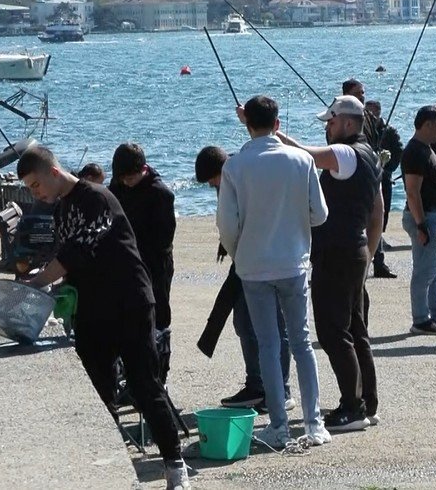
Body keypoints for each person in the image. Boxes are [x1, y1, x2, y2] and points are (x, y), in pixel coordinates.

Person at [17, 147, 189, 490]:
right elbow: (68, 260)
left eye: (36, 185)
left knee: (144, 384)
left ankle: (175, 464)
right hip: (93, 307)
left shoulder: (97, 198)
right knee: (97, 389)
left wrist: (35, 283)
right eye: (30, 189)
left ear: (53, 172)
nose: (35, 194)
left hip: (130, 301)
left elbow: (75, 252)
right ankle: (107, 468)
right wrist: (54, 288)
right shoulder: (61, 209)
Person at [218, 95, 330, 448]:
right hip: (293, 261)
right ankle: (313, 423)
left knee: (268, 345)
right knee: (301, 342)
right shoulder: (302, 160)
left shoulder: (234, 166)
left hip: (253, 266)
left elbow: (227, 225)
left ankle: (279, 425)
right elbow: (320, 214)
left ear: (247, 124)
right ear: (278, 124)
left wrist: (238, 254)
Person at [275, 95, 383, 432]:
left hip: (337, 253)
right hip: (354, 250)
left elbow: (305, 156)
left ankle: (352, 407)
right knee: (356, 331)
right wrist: (369, 251)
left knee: (333, 332)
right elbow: (377, 211)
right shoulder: (370, 156)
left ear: (349, 123)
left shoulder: (347, 153)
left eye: (331, 122)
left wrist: (273, 135)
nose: (327, 128)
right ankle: (367, 403)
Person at [192, 146, 294, 415]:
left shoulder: (244, 173)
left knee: (274, 326)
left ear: (222, 169)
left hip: (268, 260)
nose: (213, 186)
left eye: (213, 180)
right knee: (244, 323)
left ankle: (281, 390)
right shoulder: (226, 178)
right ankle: (256, 385)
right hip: (244, 261)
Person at [109, 143, 177, 384]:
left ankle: (159, 376)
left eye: (130, 178)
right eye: (122, 178)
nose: (126, 182)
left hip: (155, 265)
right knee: (126, 320)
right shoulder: (117, 186)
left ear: (143, 169)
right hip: (125, 264)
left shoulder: (161, 194)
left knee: (157, 320)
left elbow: (164, 241)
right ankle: (129, 375)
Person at [401, 105, 436, 335]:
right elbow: (412, 192)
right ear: (428, 125)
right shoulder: (414, 151)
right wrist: (421, 225)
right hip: (425, 217)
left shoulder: (427, 148)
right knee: (425, 271)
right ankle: (420, 319)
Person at [363, 99, 403, 279]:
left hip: (383, 179)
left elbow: (398, 152)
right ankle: (375, 260)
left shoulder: (389, 131)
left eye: (375, 112)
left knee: (381, 217)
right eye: (369, 112)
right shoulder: (363, 130)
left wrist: (387, 168)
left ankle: (378, 260)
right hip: (367, 178)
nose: (372, 115)